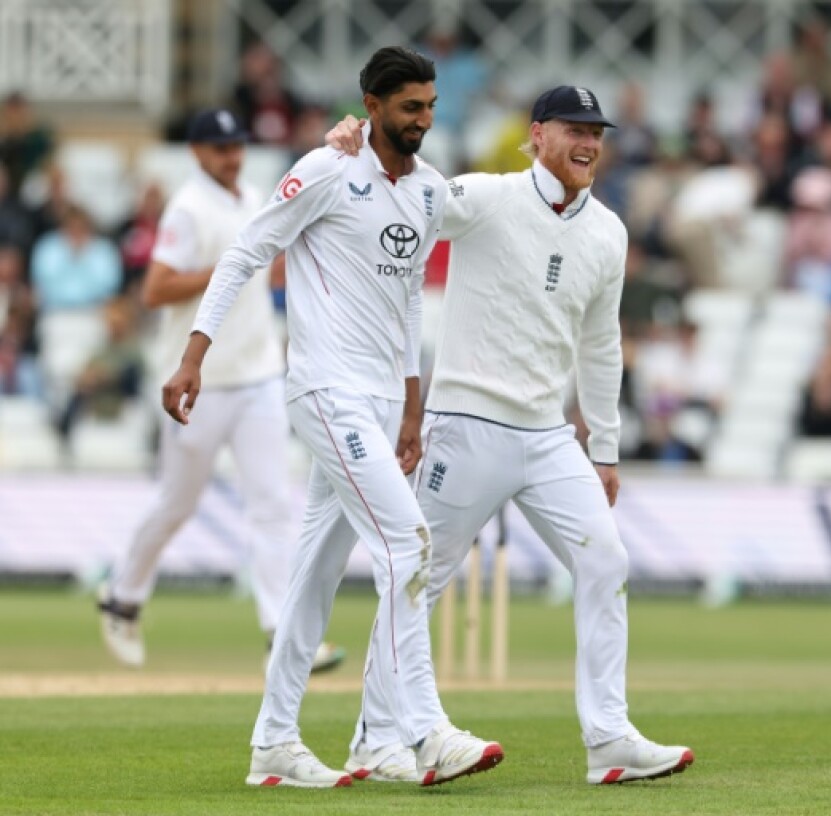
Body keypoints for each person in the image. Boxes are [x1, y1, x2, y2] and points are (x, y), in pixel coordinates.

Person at [325, 85, 694, 784]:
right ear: (538, 134)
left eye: (597, 133)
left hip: (549, 435)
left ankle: (609, 738)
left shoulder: (608, 232)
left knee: (606, 561)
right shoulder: (489, 196)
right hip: (464, 425)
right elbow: (407, 199)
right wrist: (358, 152)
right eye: (575, 129)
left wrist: (605, 447)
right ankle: (375, 737)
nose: (589, 143)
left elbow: (601, 345)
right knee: (418, 578)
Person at [162, 47, 504, 789]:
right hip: (326, 391)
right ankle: (423, 730)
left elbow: (407, 299)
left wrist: (411, 403)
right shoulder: (325, 169)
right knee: (408, 545)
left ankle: (275, 745)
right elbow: (244, 254)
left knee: (313, 578)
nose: (423, 120)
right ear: (371, 106)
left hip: (380, 404)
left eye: (430, 106)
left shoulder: (427, 191)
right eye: (409, 107)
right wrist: (194, 355)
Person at [95, 109, 344, 675]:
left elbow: (267, 270)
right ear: (197, 152)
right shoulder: (188, 208)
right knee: (177, 503)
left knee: (272, 505)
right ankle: (123, 598)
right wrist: (232, 266)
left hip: (258, 374)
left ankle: (282, 634)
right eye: (220, 148)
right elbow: (156, 289)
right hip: (199, 383)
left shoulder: (252, 195)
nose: (232, 157)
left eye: (236, 146)